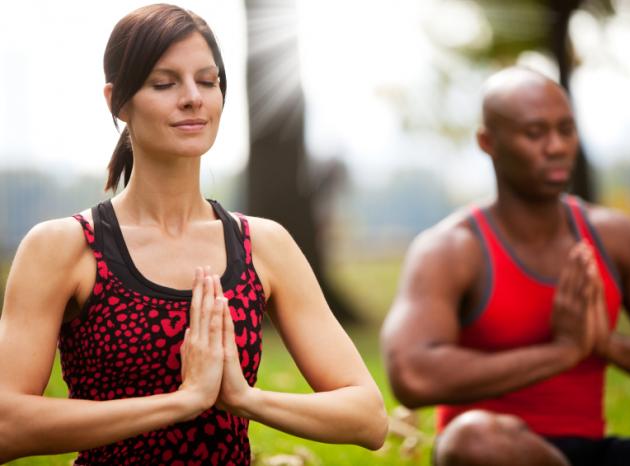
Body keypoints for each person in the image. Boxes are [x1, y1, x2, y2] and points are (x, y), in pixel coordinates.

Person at [0, 4, 387, 464]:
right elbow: (7, 426)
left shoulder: (263, 244)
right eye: (164, 84)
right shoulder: (64, 247)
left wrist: (243, 398)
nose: (192, 98)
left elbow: (368, 418)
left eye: (207, 81)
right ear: (116, 101)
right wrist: (183, 401)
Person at [381, 66, 630, 466]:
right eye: (535, 133)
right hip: (498, 451)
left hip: (596, 451)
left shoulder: (615, 237)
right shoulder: (450, 249)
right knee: (471, 439)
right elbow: (412, 374)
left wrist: (607, 345)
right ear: (488, 142)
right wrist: (562, 352)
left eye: (566, 129)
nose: (556, 146)